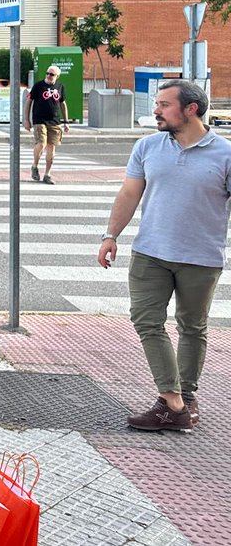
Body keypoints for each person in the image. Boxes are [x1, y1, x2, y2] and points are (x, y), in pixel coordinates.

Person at [98, 79, 231, 432]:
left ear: (191, 109)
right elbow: (129, 194)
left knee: (192, 326)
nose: (155, 110)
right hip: (150, 253)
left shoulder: (225, 154)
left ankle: (184, 398)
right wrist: (111, 235)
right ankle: (173, 400)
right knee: (146, 321)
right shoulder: (147, 147)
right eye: (156, 103)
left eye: (163, 104)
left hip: (201, 257)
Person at [23, 64, 70, 184]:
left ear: (57, 76)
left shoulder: (60, 87)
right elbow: (29, 101)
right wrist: (26, 119)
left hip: (54, 121)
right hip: (39, 120)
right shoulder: (38, 86)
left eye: (52, 74)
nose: (49, 76)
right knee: (41, 143)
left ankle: (47, 174)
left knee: (51, 147)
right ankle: (35, 166)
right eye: (47, 73)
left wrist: (66, 122)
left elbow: (63, 104)